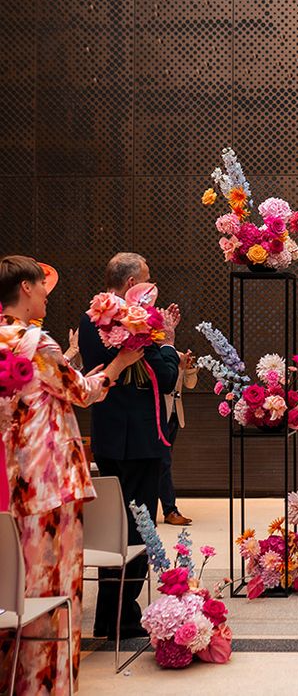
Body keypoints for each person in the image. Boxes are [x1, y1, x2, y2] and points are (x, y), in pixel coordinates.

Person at [0, 255, 141, 694]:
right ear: (25, 288)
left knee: (15, 581)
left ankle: (12, 676)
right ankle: (48, 681)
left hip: (13, 476)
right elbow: (81, 393)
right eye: (41, 286)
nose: (46, 293)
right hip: (49, 481)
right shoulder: (37, 343)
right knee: (55, 585)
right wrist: (120, 364)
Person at [78, 252, 180, 639]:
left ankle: (108, 615)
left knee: (112, 530)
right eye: (147, 278)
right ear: (130, 283)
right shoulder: (139, 323)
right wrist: (167, 340)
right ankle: (122, 617)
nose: (152, 288)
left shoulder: (89, 322)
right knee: (139, 530)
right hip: (140, 438)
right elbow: (166, 375)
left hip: (107, 437)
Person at [160, 349, 198, 525]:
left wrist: (188, 368)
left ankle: (165, 509)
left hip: (175, 415)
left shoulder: (179, 354)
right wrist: (179, 367)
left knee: (164, 463)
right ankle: (170, 510)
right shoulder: (155, 355)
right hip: (160, 415)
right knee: (163, 462)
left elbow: (190, 384)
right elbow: (165, 384)